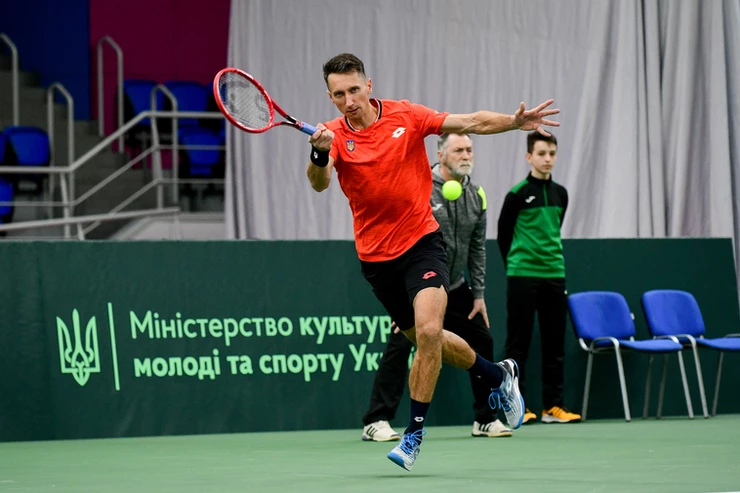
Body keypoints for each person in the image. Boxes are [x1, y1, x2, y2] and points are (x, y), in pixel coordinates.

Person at [306, 53, 559, 471]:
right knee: (429, 339)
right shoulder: (332, 135)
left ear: (369, 85)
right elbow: (319, 184)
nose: (349, 100)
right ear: (330, 97)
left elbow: (471, 122)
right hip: (376, 259)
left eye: (354, 89)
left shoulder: (408, 114)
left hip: (422, 242)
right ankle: (498, 376)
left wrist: (514, 123)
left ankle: (413, 435)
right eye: (339, 94)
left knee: (427, 331)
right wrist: (318, 154)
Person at [360, 132, 512, 442]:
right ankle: (376, 419)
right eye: (458, 150)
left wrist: (479, 294)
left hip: (454, 285)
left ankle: (485, 417)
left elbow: (477, 246)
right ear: (440, 155)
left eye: (469, 149)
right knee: (402, 343)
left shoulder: (477, 194)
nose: (466, 155)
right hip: (416, 285)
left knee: (482, 337)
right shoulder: (421, 188)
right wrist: (404, 296)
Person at [497, 131, 581, 425]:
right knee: (518, 345)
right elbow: (504, 236)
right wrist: (518, 263)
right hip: (522, 276)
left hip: (554, 275)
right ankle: (519, 406)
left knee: (554, 344)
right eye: (542, 153)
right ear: (529, 156)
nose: (548, 159)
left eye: (552, 154)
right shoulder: (517, 194)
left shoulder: (562, 194)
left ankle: (553, 407)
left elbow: (554, 228)